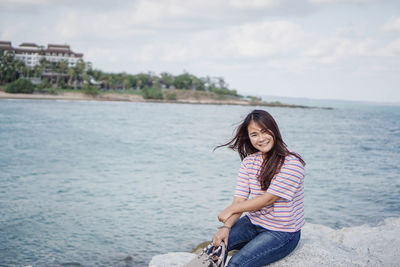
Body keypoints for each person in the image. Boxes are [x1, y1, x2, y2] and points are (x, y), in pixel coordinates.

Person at [212, 109, 305, 267]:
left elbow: (267, 199)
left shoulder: (292, 163)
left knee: (236, 263)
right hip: (254, 222)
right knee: (215, 249)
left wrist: (230, 209)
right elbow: (240, 199)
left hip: (283, 232)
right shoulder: (249, 162)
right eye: (254, 134)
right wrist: (226, 226)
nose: (261, 138)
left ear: (274, 130)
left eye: (264, 131)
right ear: (249, 137)